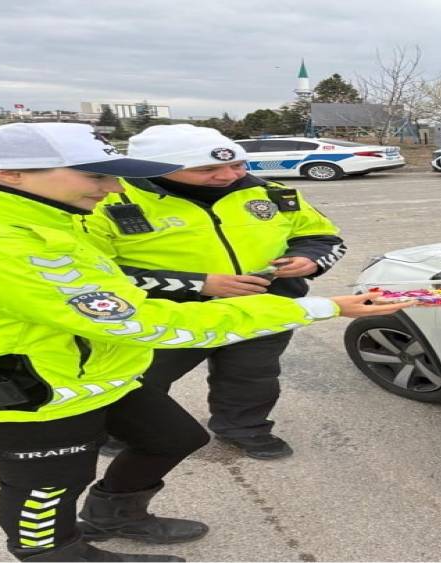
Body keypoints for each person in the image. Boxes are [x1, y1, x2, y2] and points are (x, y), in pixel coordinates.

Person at [0, 123, 407, 562]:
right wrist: (319, 308)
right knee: (48, 485)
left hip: (97, 372)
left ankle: (115, 514)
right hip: (31, 392)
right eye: (96, 175)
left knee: (174, 438)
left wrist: (306, 271)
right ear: (10, 174)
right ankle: (55, 554)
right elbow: (134, 320)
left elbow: (318, 233)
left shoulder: (47, 214)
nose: (114, 186)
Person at [83, 125, 345, 460]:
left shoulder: (269, 193)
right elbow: (90, 274)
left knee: (253, 375)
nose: (227, 176)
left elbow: (325, 237)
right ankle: (121, 429)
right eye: (207, 169)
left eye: (237, 165)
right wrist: (200, 283)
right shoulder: (104, 203)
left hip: (263, 305)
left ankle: (244, 427)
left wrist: (309, 259)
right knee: (139, 378)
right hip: (164, 313)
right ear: (155, 167)